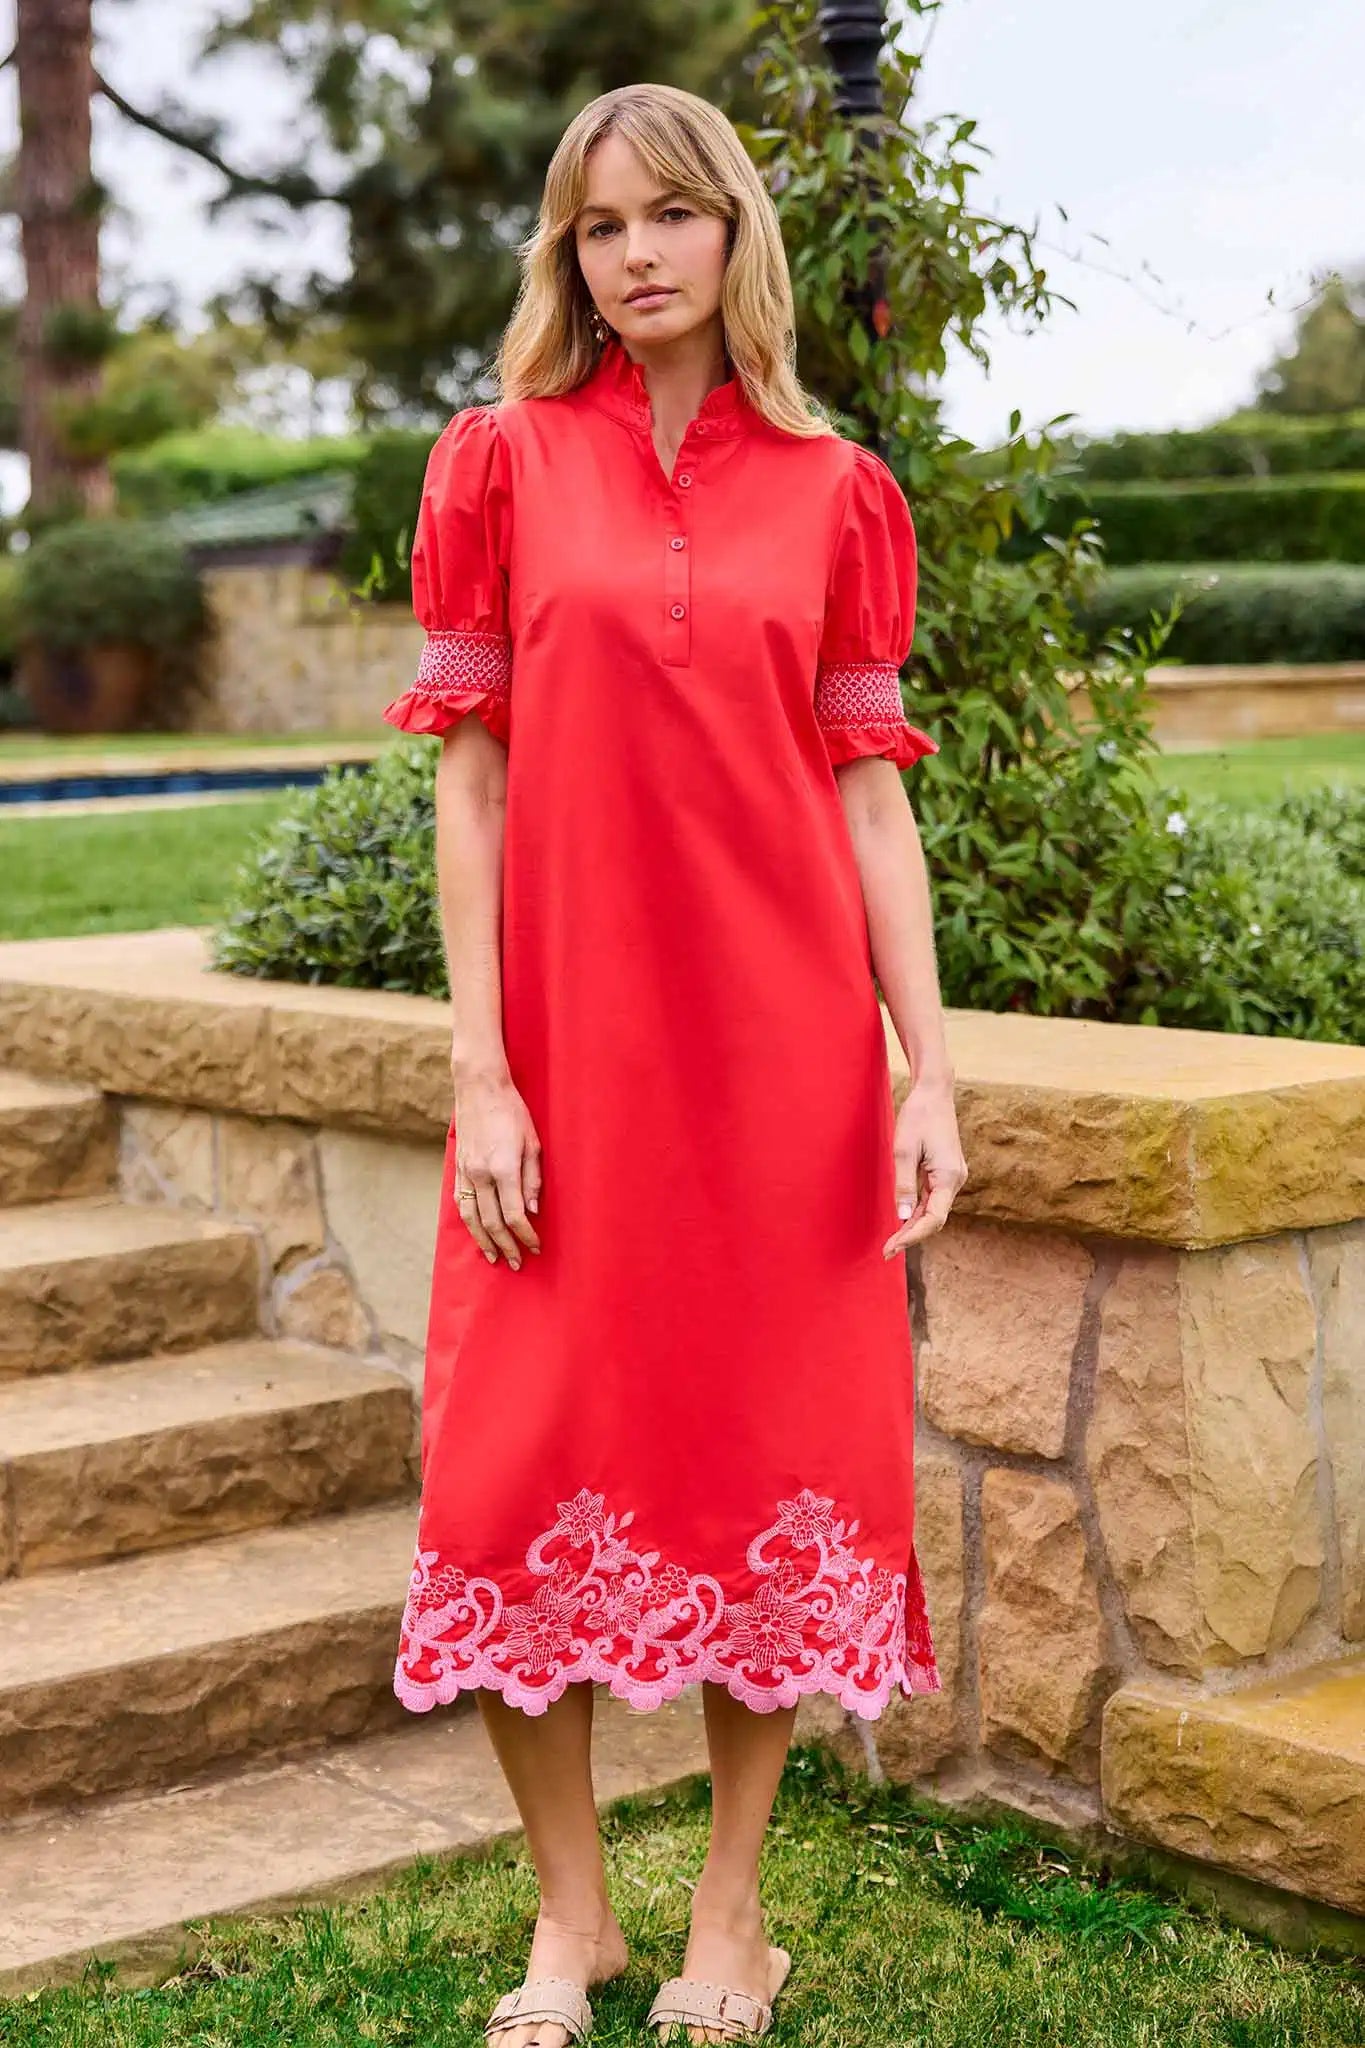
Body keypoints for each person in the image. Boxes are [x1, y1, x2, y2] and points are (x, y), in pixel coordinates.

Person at [380, 79, 968, 2048]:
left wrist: (925, 1069)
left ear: (733, 235)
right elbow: (469, 789)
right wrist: (479, 1066)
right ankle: (572, 1924)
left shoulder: (833, 491)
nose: (629, 254)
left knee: (771, 1472)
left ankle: (729, 1910)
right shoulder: (498, 465)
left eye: (664, 217)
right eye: (593, 225)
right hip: (561, 1057)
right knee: (502, 1469)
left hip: (780, 1067)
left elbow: (872, 808)